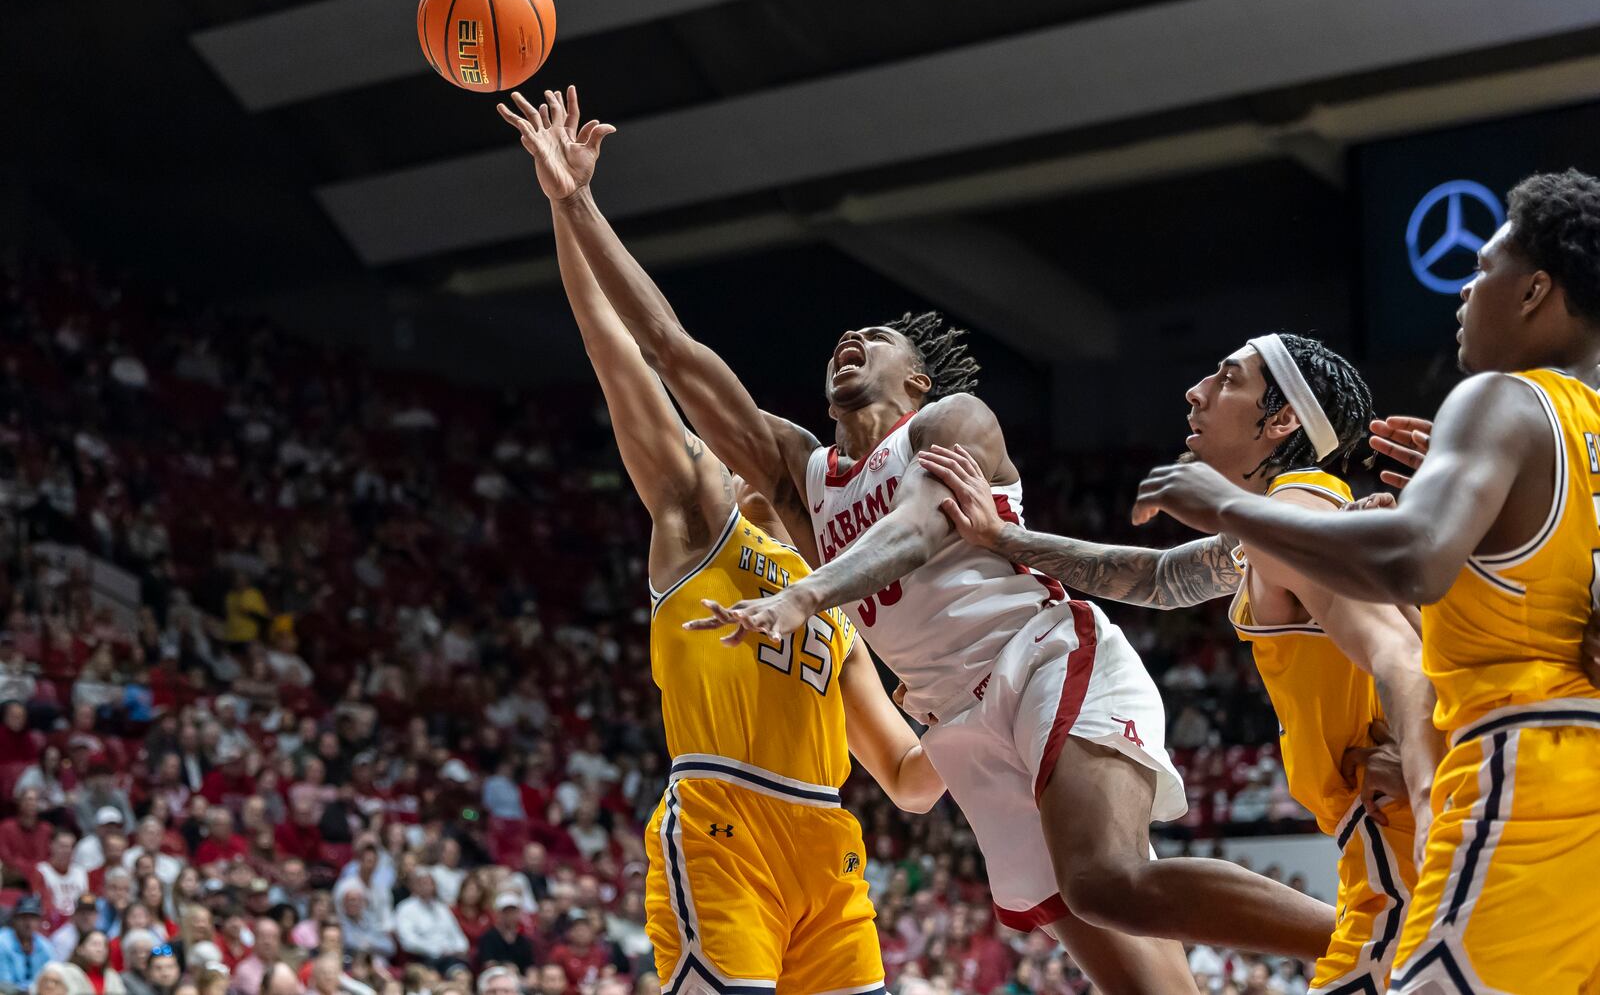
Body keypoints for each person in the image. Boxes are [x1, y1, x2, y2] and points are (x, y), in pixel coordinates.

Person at [503, 85, 1333, 993]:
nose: (851, 338)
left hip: (1041, 654)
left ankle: (1366, 939)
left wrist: (805, 595)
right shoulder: (798, 474)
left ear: (918, 381)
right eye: (843, 339)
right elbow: (665, 345)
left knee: (1107, 879)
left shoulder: (954, 423)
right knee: (1132, 962)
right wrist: (576, 200)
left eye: (880, 338)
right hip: (960, 719)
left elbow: (916, 530)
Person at [499, 87, 945, 995]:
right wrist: (566, 205)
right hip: (722, 820)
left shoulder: (840, 586)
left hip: (829, 849)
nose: (736, 450)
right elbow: (620, 352)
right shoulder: (700, 513)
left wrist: (974, 708)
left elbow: (907, 777)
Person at [1132, 169, 1600, 993]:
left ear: (1534, 290)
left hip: (1522, 777)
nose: (1463, 285)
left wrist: (1224, 507)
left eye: (1484, 265)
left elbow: (1410, 557)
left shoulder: (1500, 400)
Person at [919, 333, 1443, 993]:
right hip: (1383, 860)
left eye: (1228, 379)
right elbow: (1162, 578)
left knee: (1102, 885)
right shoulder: (1284, 525)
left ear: (1281, 421)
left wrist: (1430, 786)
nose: (1197, 391)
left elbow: (1399, 656)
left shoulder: (1296, 511)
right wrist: (1005, 537)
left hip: (1403, 859)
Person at [391, 873, 466, 974]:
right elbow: (408, 941)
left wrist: (460, 948)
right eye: (423, 883)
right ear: (415, 886)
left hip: (450, 955)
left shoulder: (442, 908)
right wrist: (437, 950)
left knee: (463, 967)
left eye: (430, 884)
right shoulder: (405, 908)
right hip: (422, 958)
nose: (427, 887)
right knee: (454, 969)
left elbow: (457, 934)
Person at [0, 897, 57, 988]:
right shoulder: (2, 942)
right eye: (23, 918)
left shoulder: (46, 946)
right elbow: (4, 984)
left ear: (39, 921)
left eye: (33, 918)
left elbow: (52, 978)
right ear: (14, 919)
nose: (28, 923)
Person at [0, 790, 55, 878]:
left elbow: (51, 857)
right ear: (19, 803)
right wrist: (29, 870)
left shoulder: (47, 829)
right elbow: (5, 857)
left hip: (42, 877)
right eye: (28, 799)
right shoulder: (5, 827)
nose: (32, 803)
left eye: (35, 800)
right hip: (15, 878)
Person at [35, 831, 90, 918]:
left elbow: (86, 900)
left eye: (70, 847)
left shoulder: (80, 872)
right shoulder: (42, 871)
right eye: (62, 846)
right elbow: (44, 905)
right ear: (51, 845)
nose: (67, 851)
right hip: (53, 921)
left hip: (78, 921)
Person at [473, 894, 532, 973]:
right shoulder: (488, 937)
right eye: (506, 912)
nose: (510, 916)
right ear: (499, 914)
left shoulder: (523, 940)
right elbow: (488, 963)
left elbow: (530, 965)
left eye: (513, 912)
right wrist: (504, 967)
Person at [60, 931, 126, 995]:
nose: (100, 949)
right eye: (95, 944)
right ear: (80, 949)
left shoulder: (112, 976)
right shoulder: (68, 972)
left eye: (104, 945)